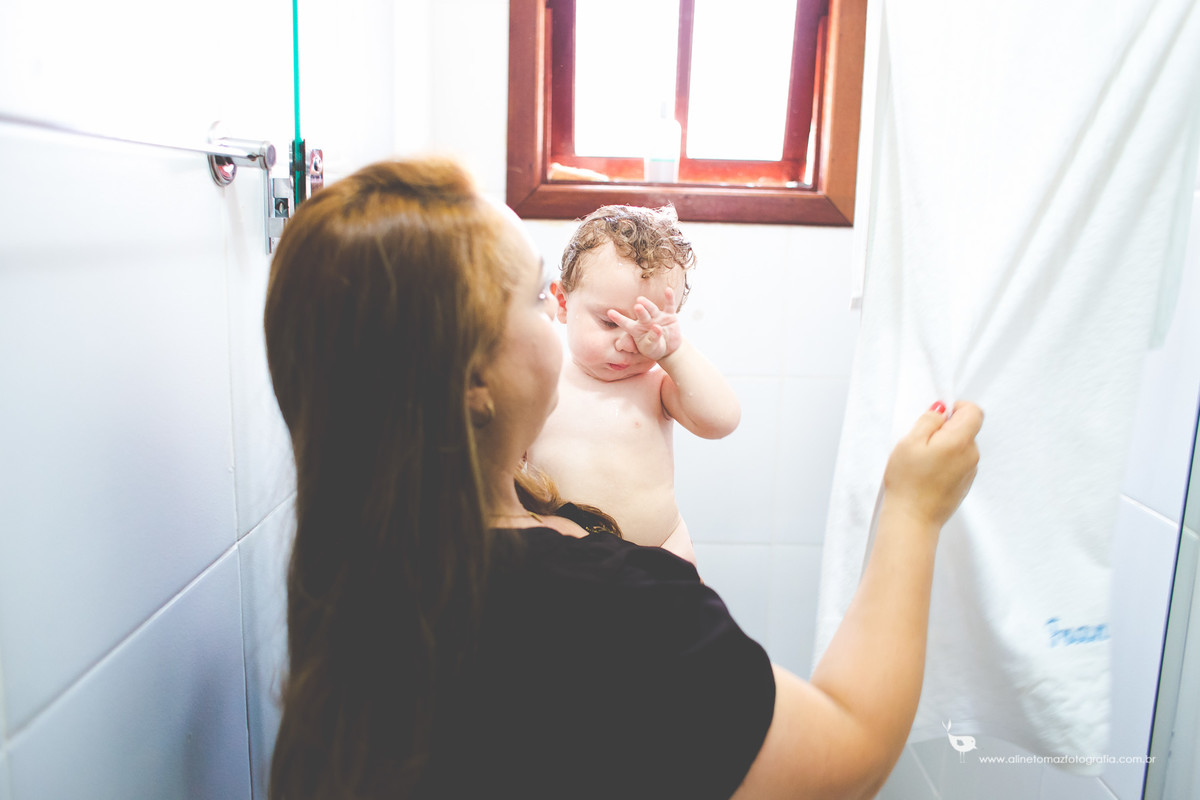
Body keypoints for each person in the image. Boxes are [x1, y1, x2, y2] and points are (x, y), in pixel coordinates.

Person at [264, 156, 984, 800]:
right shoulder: (603, 612)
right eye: (531, 303)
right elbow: (849, 759)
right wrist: (913, 511)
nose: (568, 328)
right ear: (475, 381)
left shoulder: (361, 581)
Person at [529, 205, 737, 566]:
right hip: (565, 566)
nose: (628, 344)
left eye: (648, 328)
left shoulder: (657, 386)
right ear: (562, 303)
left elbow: (721, 421)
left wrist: (673, 351)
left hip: (659, 557)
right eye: (610, 324)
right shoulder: (539, 385)